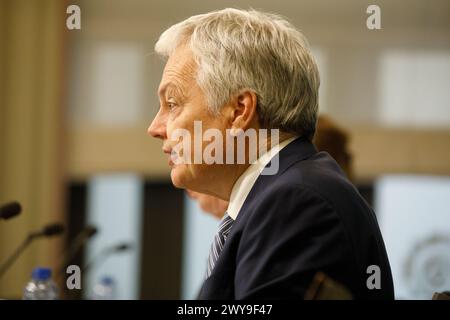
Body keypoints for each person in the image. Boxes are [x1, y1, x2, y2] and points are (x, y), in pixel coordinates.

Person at [148, 8, 394, 299]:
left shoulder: (295, 201)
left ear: (239, 111)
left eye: (173, 103)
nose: (155, 127)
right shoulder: (283, 193)